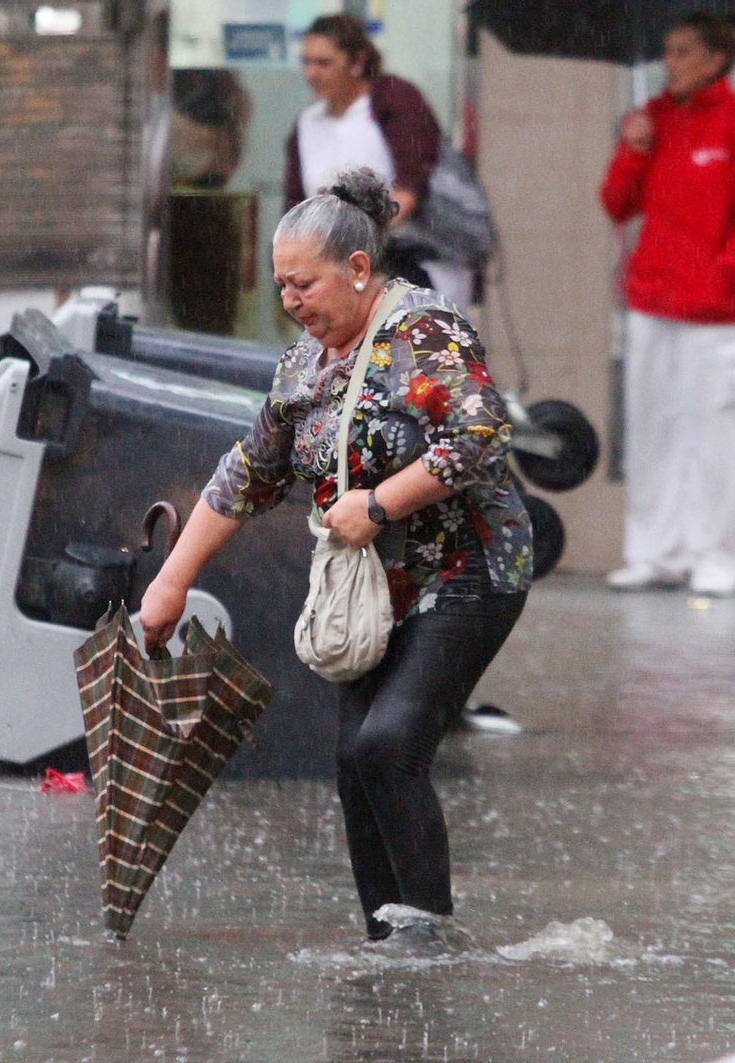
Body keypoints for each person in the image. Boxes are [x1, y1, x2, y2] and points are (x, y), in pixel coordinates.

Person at [139, 168, 532, 945]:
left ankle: (427, 930)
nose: (292, 302)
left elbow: (483, 432)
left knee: (390, 743)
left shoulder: (425, 332)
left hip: (467, 569)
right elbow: (246, 475)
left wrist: (383, 503)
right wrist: (171, 583)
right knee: (355, 760)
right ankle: (385, 935)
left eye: (304, 284)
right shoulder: (302, 369)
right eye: (281, 286)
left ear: (358, 269)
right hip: (375, 586)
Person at [600, 14, 735, 597]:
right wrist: (632, 150)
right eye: (667, 51)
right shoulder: (652, 121)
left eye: (682, 52)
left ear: (716, 59)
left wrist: (719, 281)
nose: (669, 63)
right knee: (653, 432)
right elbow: (616, 204)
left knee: (714, 437)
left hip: (720, 319)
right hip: (654, 306)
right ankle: (655, 553)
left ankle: (716, 557)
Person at [283, 13, 474, 308]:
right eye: (306, 63)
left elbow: (411, 186)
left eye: (324, 63)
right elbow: (296, 203)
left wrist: (362, 243)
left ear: (357, 62)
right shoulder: (307, 123)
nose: (312, 74)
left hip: (412, 260)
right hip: (338, 273)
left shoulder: (393, 100)